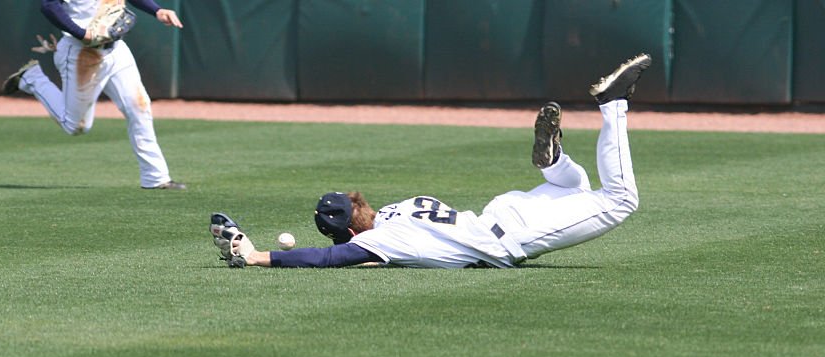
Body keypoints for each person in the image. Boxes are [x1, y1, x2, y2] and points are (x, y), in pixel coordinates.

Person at [210, 53, 652, 268]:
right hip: (501, 210)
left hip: (513, 235)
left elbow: (328, 258)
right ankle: (553, 163)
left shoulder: (385, 239)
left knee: (620, 199)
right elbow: (357, 253)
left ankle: (613, 104)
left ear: (349, 230)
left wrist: (257, 255)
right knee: (572, 186)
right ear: (361, 205)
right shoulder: (399, 209)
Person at [2, 0, 186, 190]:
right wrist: (81, 33)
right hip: (81, 53)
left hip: (116, 50)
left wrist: (156, 10)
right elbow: (49, 5)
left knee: (139, 108)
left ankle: (155, 178)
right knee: (76, 126)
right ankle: (32, 79)